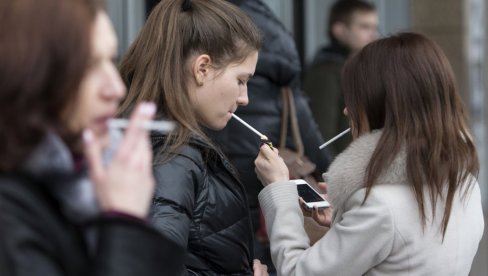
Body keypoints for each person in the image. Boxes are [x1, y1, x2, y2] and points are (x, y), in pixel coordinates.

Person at [254, 32, 484, 275]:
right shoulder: (465, 185)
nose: (346, 109)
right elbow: (405, 249)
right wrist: (347, 222)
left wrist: (278, 188)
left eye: (355, 97)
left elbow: (296, 271)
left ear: (381, 103)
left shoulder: (380, 206)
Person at [0, 0, 185, 275]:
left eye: (111, 61)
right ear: (30, 74)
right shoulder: (10, 215)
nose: (116, 88)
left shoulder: (75, 184)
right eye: (88, 66)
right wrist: (125, 222)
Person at [117, 0, 268, 275]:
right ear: (202, 69)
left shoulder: (158, 140)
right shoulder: (174, 153)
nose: (244, 98)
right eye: (241, 80)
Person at [211, 0, 331, 268]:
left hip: (228, 158)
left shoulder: (202, 17)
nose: (245, 99)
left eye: (247, 82)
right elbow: (298, 108)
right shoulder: (270, 27)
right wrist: (325, 166)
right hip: (254, 160)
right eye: (241, 81)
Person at [304, 0, 378, 157]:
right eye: (364, 27)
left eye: (374, 27)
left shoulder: (363, 69)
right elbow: (322, 137)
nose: (373, 34)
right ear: (339, 30)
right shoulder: (327, 71)